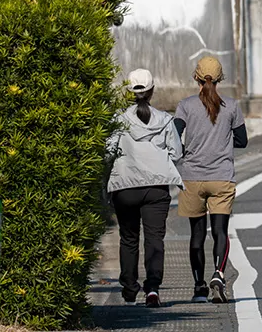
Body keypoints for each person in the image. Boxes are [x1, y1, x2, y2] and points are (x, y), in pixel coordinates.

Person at [173, 56, 248, 304]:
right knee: (220, 231)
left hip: (192, 177)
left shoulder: (185, 106)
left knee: (196, 235)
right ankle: (218, 273)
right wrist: (223, 141)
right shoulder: (233, 106)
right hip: (222, 177)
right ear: (220, 78)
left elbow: (176, 136)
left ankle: (198, 287)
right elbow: (242, 140)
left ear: (196, 77)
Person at [106, 69, 183, 308]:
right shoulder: (166, 120)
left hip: (125, 186)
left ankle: (129, 289)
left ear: (128, 92)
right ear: (152, 91)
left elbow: (108, 152)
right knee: (154, 240)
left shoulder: (118, 120)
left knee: (128, 238)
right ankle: (152, 289)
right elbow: (177, 153)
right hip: (157, 188)